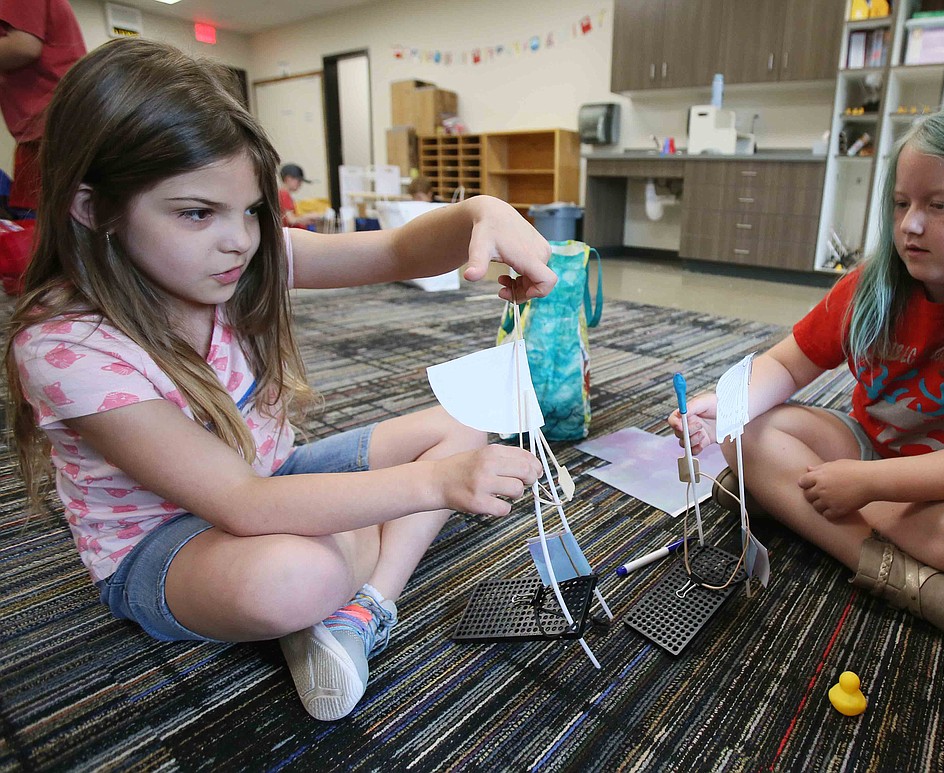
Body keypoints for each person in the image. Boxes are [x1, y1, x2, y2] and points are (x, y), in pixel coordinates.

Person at [4, 38, 555, 722]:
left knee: (467, 418)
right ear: (93, 207)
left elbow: (392, 249)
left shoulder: (233, 258)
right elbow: (238, 504)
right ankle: (344, 578)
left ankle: (362, 608)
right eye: (197, 212)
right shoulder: (65, 346)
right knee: (298, 574)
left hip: (273, 478)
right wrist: (432, 486)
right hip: (164, 542)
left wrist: (482, 212)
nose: (239, 239)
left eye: (253, 210)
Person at [669, 94, 944, 671]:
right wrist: (720, 405)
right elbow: (785, 365)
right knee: (746, 432)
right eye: (902, 203)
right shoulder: (873, 286)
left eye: (941, 205)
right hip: (873, 458)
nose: (911, 224)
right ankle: (926, 587)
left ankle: (786, 500)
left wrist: (871, 485)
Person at [0, 0, 86, 217]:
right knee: (36, 222)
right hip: (39, 133)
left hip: (56, 129)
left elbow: (24, 46)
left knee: (54, 223)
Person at [278, 163, 312, 228]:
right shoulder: (283, 194)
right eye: (299, 180)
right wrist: (308, 216)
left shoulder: (282, 194)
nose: (300, 184)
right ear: (288, 178)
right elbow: (291, 220)